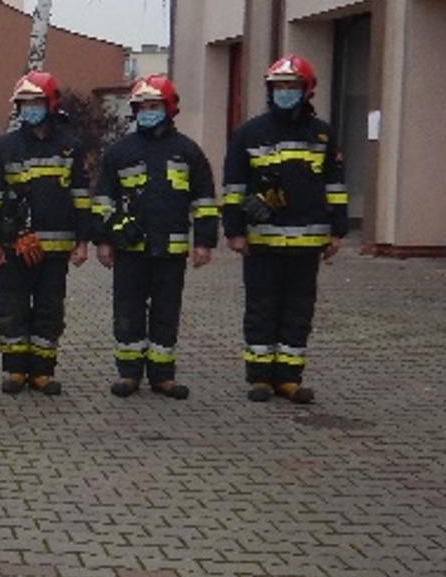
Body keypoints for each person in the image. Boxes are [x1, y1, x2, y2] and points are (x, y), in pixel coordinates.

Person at [222, 55, 347, 405]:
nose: (285, 92)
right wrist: (234, 231)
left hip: (308, 240)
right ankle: (260, 378)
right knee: (261, 307)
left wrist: (337, 230)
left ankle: (289, 379)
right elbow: (234, 187)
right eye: (279, 86)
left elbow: (335, 184)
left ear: (307, 90)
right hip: (263, 240)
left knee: (299, 310)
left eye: (291, 86)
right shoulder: (249, 133)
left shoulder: (322, 134)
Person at [91, 74, 217, 400]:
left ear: (169, 108)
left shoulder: (188, 152)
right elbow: (103, 199)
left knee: (166, 312)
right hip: (129, 249)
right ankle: (129, 374)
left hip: (171, 250)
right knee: (128, 311)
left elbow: (204, 200)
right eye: (143, 107)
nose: (148, 112)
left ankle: (163, 376)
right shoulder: (119, 152)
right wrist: (103, 240)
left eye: (154, 106)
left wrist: (204, 242)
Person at [0, 70, 92, 396]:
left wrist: (82, 242)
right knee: (11, 307)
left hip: (56, 250)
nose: (30, 108)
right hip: (14, 245)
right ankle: (15, 370)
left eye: (36, 102)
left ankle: (42, 372)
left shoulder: (70, 147)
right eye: (24, 103)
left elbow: (81, 198)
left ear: (50, 104)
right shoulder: (4, 147)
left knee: (49, 309)